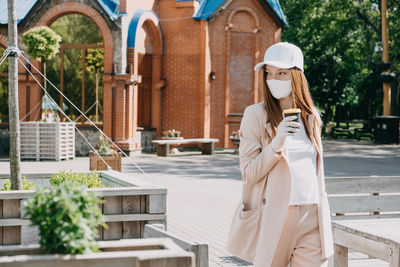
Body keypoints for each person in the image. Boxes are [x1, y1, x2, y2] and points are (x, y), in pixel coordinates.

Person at [226, 42, 334, 267]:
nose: (274, 79)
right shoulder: (255, 115)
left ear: (296, 76)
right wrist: (277, 142)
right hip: (276, 215)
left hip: (312, 216)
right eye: (269, 73)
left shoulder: (311, 116)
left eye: (282, 73)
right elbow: (249, 174)